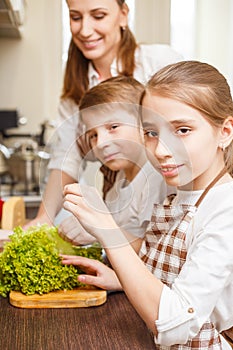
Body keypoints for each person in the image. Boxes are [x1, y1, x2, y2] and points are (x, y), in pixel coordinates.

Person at [61, 61, 233, 348]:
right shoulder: (183, 195)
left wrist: (109, 232)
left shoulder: (226, 209)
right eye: (152, 133)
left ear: (225, 132)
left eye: (182, 130)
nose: (162, 151)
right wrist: (120, 280)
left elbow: (178, 323)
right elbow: (169, 267)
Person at [25, 0, 182, 229]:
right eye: (76, 17)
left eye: (98, 16)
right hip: (120, 198)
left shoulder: (158, 62)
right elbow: (65, 160)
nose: (85, 30)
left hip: (171, 200)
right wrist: (44, 218)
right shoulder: (74, 92)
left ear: (123, 14)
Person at [59, 75, 171, 247]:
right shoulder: (116, 186)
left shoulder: (157, 179)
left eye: (113, 127)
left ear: (144, 124)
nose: (101, 143)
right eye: (93, 135)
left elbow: (156, 253)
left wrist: (103, 231)